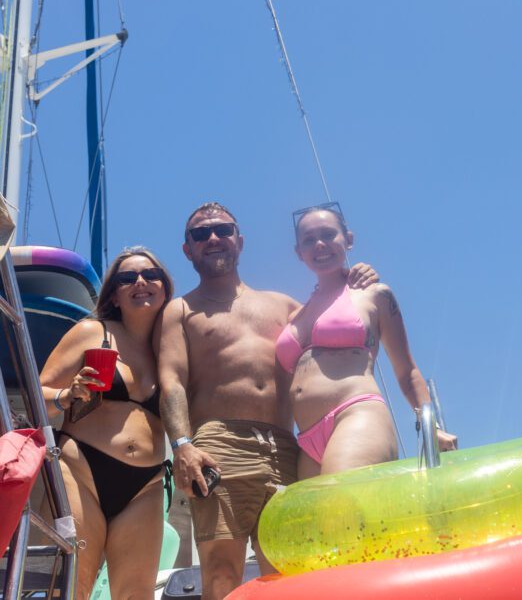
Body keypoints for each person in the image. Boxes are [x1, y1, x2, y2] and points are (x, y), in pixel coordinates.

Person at [156, 202, 377, 600]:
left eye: (222, 230)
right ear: (187, 249)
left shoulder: (286, 306)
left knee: (289, 569)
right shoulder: (181, 310)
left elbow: (337, 315)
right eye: (200, 234)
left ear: (239, 242)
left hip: (286, 446)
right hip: (220, 446)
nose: (212, 238)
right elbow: (171, 381)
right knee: (222, 572)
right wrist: (182, 446)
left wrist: (353, 277)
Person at [276, 203, 457, 480]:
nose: (320, 244)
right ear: (298, 253)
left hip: (356, 413)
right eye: (309, 240)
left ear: (348, 240)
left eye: (328, 235)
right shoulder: (294, 315)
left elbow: (407, 371)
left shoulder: (373, 294)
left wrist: (431, 425)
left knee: (339, 505)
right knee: (315, 522)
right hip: (307, 438)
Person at [40, 247, 173, 600]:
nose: (140, 282)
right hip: (80, 468)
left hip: (147, 484)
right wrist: (65, 395)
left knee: (136, 594)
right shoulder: (91, 330)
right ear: (114, 294)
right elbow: (38, 388)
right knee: (71, 586)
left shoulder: (172, 346)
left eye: (150, 275)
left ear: (165, 286)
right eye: (127, 278)